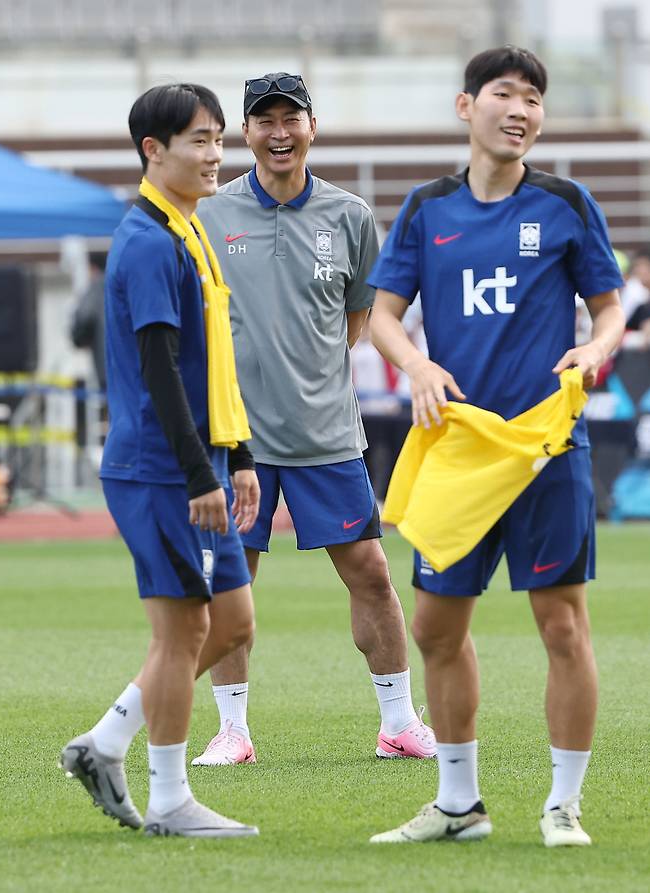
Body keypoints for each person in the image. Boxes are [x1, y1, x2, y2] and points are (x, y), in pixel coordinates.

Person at [367, 46, 625, 847]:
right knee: (436, 630)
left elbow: (610, 308)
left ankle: (563, 805)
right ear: (465, 105)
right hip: (456, 449)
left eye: (534, 101)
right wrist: (414, 362)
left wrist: (596, 347)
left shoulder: (566, 202)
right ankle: (457, 805)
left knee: (563, 626)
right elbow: (381, 314)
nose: (520, 111)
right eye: (505, 95)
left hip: (545, 449)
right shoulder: (425, 209)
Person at [192, 72, 436, 766]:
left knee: (371, 573)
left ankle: (397, 722)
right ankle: (232, 731)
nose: (278, 133)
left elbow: (359, 322)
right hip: (236, 438)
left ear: (311, 126)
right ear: (246, 132)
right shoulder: (210, 214)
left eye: (290, 119)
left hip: (327, 434)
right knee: (232, 580)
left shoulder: (351, 215)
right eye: (263, 121)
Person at [60, 83, 260, 838]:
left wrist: (236, 453)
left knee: (232, 621)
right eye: (200, 141)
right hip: (160, 468)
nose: (216, 155)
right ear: (155, 150)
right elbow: (159, 369)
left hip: (199, 458)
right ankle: (172, 801)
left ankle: (105, 741)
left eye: (217, 139)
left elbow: (214, 361)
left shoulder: (189, 228)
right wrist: (199, 474)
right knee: (180, 633)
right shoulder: (147, 240)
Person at [70, 251, 108, 391]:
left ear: (92, 267)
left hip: (106, 362)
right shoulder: (121, 283)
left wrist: (79, 339)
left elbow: (85, 315)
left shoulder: (97, 286)